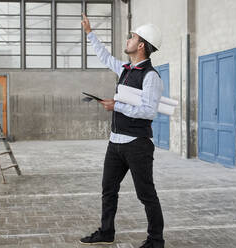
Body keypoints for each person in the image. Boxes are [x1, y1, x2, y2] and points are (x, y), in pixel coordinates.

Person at [80, 13, 165, 248]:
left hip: (137, 144)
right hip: (115, 142)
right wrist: (90, 33)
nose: (127, 40)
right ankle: (106, 232)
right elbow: (105, 57)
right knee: (108, 189)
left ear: (141, 45)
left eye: (132, 37)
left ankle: (156, 241)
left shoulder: (151, 77)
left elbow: (149, 111)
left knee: (146, 194)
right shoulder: (126, 69)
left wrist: (117, 105)